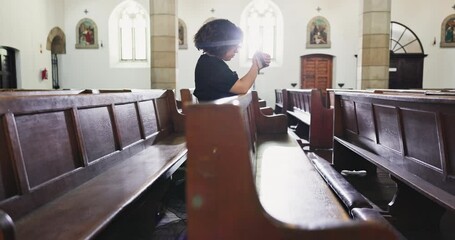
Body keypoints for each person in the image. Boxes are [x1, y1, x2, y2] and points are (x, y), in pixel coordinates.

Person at [193, 19, 271, 101]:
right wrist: (256, 64)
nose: (236, 50)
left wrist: (256, 65)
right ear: (222, 43)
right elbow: (242, 87)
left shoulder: (210, 61)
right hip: (216, 113)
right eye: (235, 46)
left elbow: (238, 85)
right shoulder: (211, 65)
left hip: (218, 111)